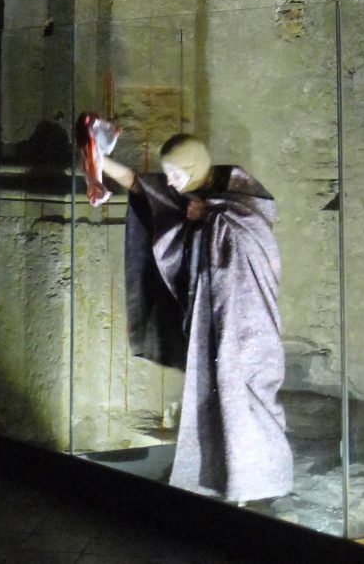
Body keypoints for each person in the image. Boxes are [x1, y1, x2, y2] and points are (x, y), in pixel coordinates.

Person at [82, 125, 293, 505]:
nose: (171, 182)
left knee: (250, 396)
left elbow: (253, 232)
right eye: (169, 175)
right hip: (212, 319)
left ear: (195, 167)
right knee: (214, 397)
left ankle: (264, 481)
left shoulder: (241, 196)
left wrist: (210, 215)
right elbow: (140, 186)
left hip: (249, 324)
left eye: (176, 174)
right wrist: (98, 158)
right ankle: (223, 480)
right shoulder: (189, 194)